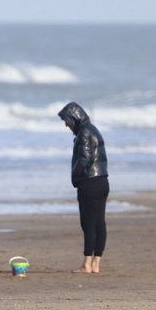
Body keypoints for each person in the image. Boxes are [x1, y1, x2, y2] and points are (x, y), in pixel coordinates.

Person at [58, 102, 109, 274]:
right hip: (102, 180)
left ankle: (86, 263)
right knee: (99, 222)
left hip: (90, 182)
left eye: (67, 120)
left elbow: (84, 159)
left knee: (88, 223)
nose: (66, 124)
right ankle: (96, 263)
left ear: (74, 117)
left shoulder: (84, 133)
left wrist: (76, 178)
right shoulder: (93, 129)